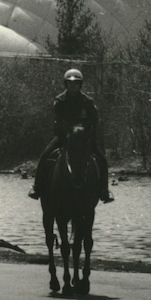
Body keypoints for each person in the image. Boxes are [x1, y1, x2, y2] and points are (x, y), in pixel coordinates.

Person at [29, 68, 113, 203]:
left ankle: (104, 191)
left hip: (84, 138)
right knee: (45, 155)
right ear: (66, 84)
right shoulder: (60, 100)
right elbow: (59, 119)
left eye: (76, 83)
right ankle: (37, 187)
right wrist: (69, 132)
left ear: (80, 85)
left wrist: (84, 130)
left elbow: (93, 119)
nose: (73, 86)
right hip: (63, 137)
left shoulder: (88, 101)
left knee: (102, 159)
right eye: (70, 83)